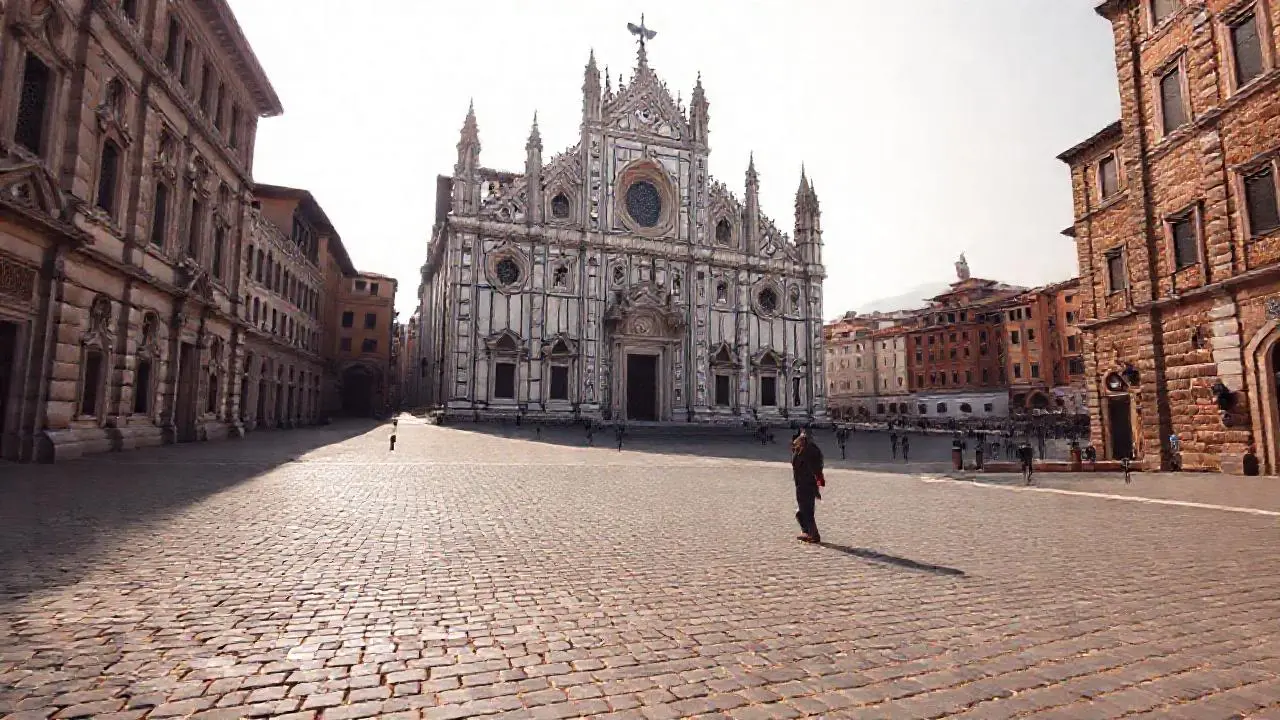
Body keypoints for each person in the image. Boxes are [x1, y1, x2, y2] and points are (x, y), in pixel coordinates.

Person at [791, 430, 825, 543]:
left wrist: (818, 484)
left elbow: (816, 470)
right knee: (801, 512)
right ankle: (807, 532)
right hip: (801, 484)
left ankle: (814, 535)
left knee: (806, 512)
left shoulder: (809, 452)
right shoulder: (802, 450)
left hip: (806, 485)